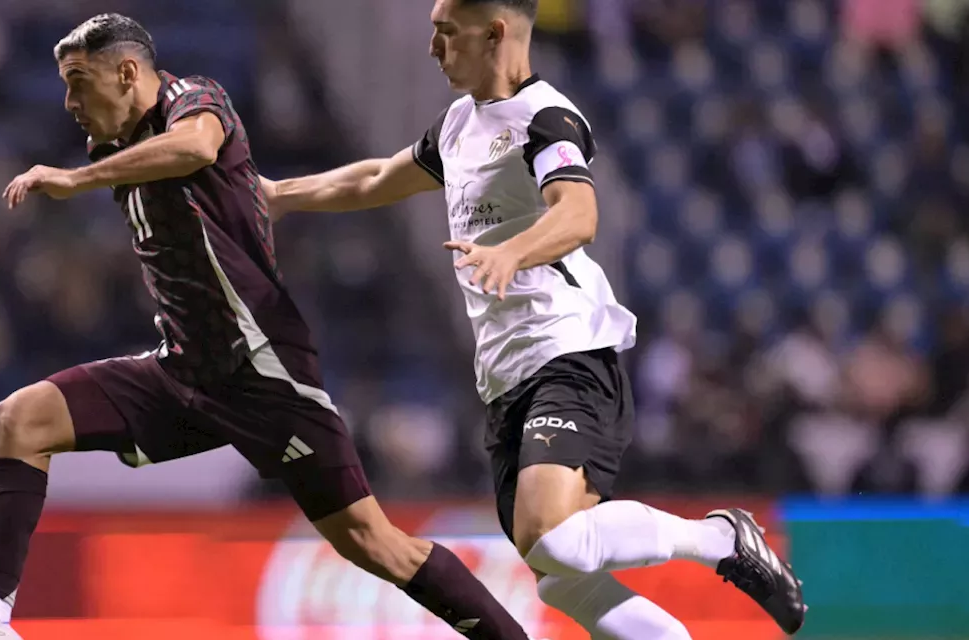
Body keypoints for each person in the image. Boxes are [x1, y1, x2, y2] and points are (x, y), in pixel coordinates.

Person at [0, 13, 537, 640]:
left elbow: (197, 147)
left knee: (374, 544)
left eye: (79, 83)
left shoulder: (197, 100)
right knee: (18, 420)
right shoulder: (112, 144)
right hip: (182, 371)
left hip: (263, 371)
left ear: (126, 73)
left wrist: (75, 180)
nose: (68, 103)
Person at [261, 0, 806, 637]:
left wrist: (509, 253)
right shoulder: (459, 124)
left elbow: (579, 213)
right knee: (559, 569)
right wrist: (279, 196)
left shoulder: (545, 118)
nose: (433, 49)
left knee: (549, 535)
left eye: (446, 34)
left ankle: (718, 536)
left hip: (567, 351)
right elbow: (379, 176)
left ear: (494, 33)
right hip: (505, 378)